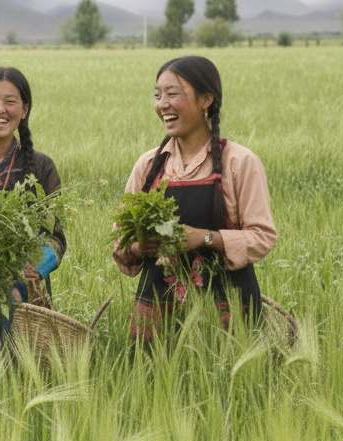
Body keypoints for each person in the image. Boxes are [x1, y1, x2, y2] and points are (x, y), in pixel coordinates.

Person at [113, 55, 277, 340]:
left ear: (206, 100)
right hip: (157, 315)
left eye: (172, 93)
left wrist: (205, 238)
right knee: (154, 382)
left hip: (228, 314)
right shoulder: (149, 166)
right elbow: (120, 243)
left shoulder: (239, 162)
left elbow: (262, 238)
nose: (162, 103)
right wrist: (141, 246)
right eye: (157, 95)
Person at [0, 66, 66, 304]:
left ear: (24, 110)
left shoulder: (42, 166)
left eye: (10, 102)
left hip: (26, 294)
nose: (0, 109)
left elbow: (55, 238)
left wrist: (34, 267)